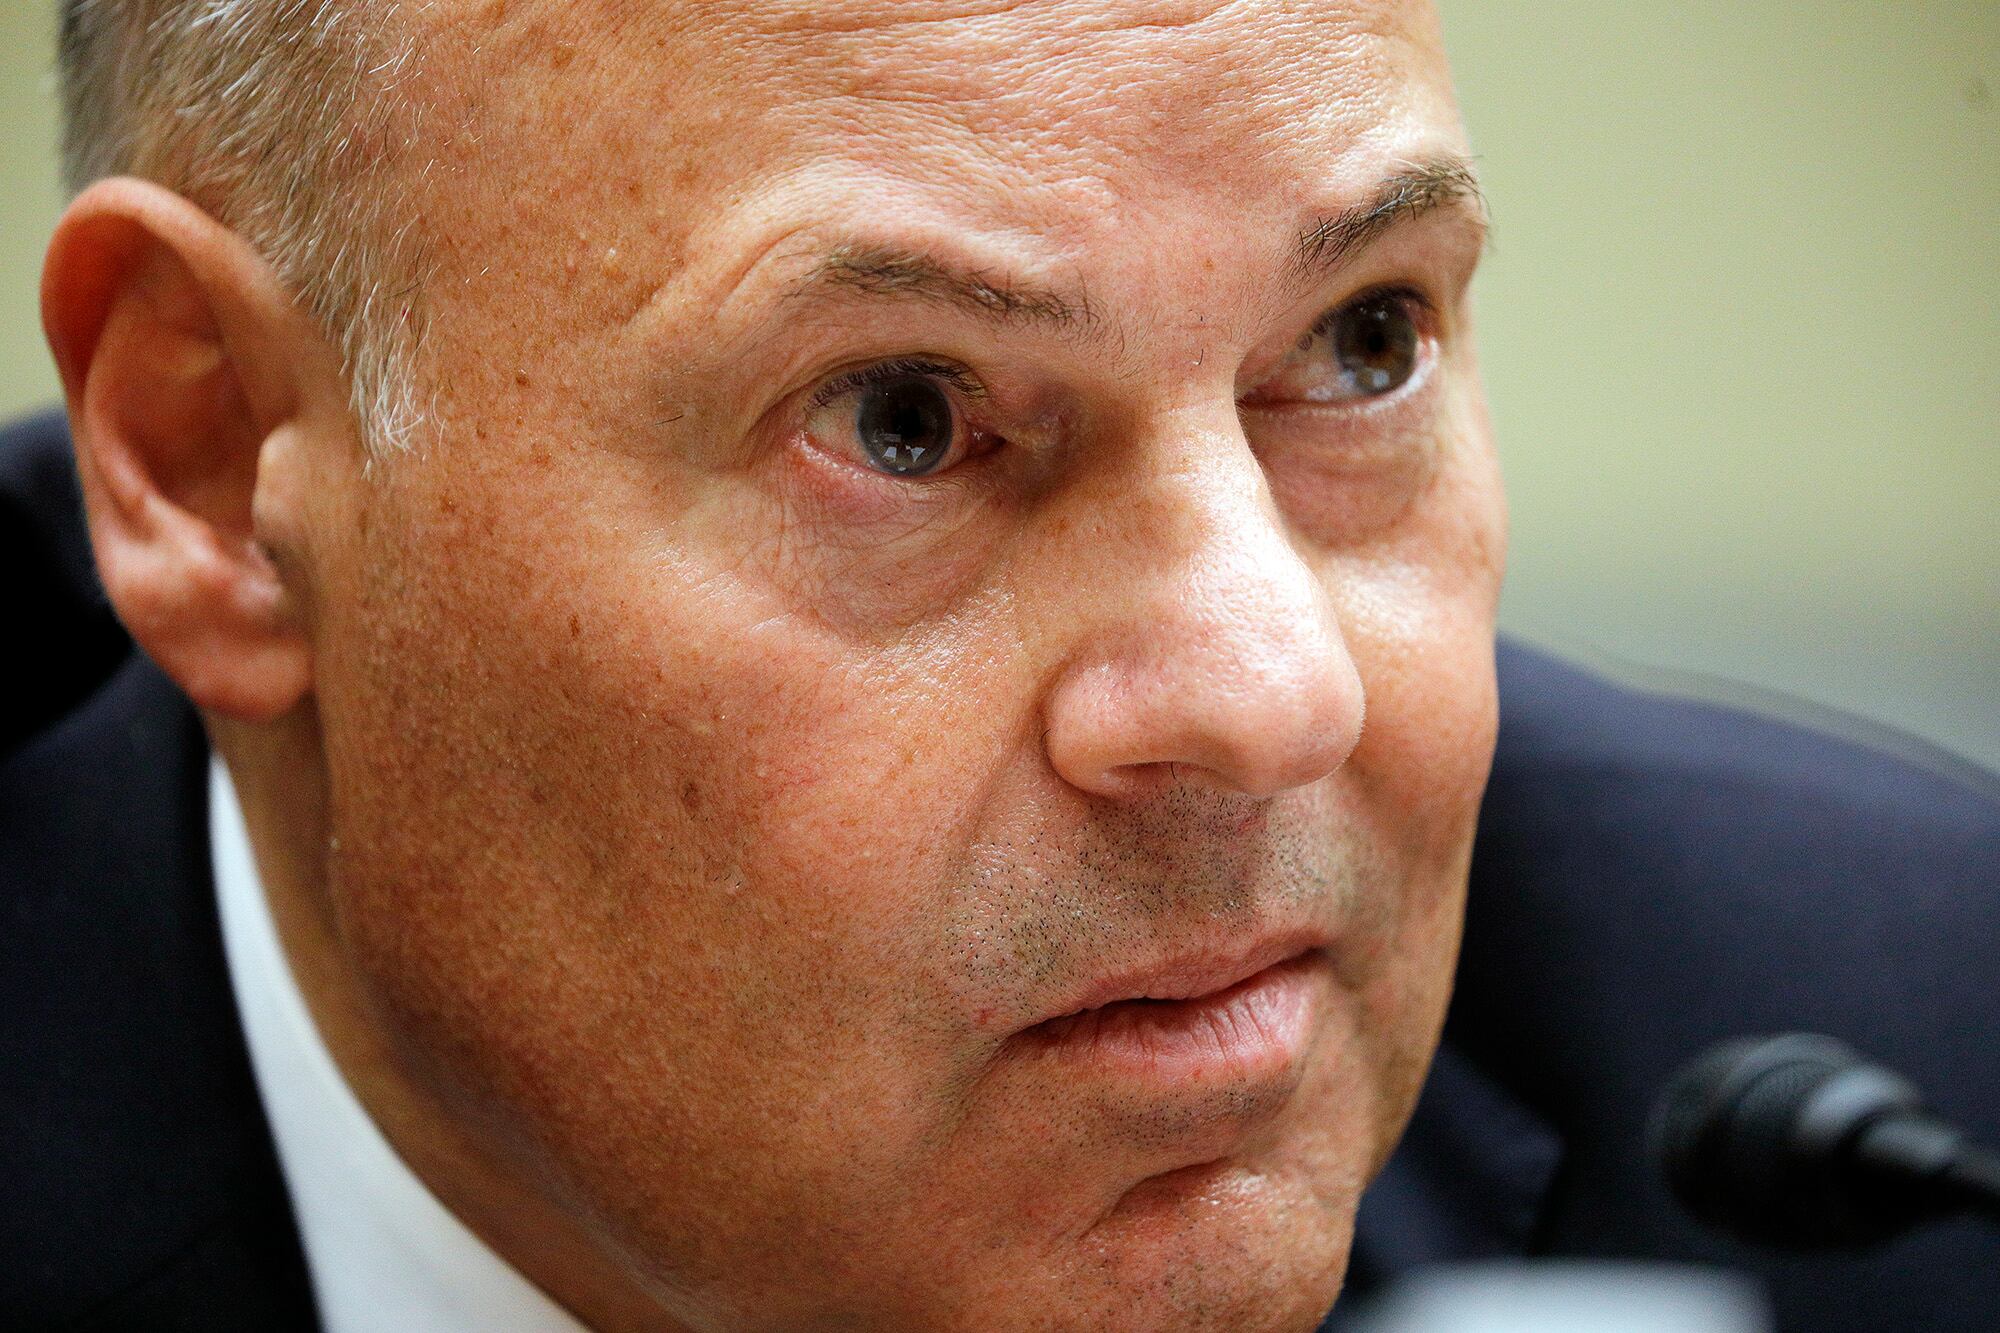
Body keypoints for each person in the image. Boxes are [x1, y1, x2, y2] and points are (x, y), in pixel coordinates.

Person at [3, 1, 1994, 1330]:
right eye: (901, 416)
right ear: (208, 460)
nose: (1274, 692)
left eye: (1365, 342)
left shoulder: (1901, 1080)